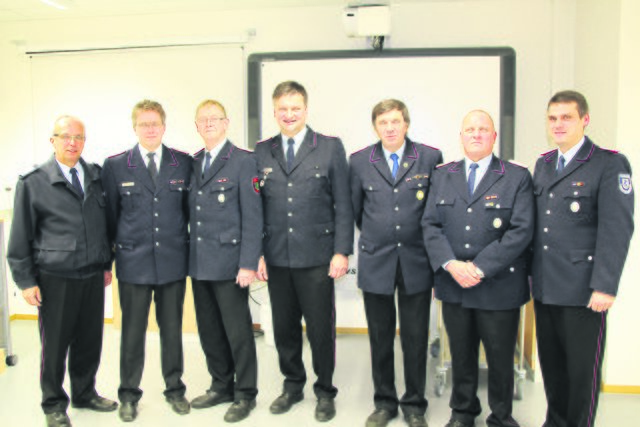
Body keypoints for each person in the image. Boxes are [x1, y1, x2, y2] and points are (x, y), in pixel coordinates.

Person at [422, 110, 533, 427]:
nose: (476, 134)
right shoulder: (443, 174)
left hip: (499, 286)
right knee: (461, 354)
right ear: (461, 136)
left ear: (494, 137)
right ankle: (463, 412)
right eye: (469, 129)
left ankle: (500, 416)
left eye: (483, 129)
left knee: (500, 358)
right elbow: (430, 225)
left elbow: (521, 231)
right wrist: (451, 264)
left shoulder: (516, 176)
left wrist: (480, 268)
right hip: (454, 282)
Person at [532, 90, 634, 427]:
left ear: (584, 120)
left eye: (566, 117)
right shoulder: (544, 163)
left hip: (584, 291)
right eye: (552, 118)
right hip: (546, 287)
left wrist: (605, 286)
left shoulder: (608, 163)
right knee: (553, 368)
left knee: (581, 374)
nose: (558, 124)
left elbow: (617, 229)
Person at [7, 115, 117, 427]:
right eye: (65, 136)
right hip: (55, 278)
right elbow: (20, 238)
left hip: (92, 275)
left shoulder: (95, 176)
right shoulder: (33, 182)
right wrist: (26, 281)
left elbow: (104, 227)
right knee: (54, 345)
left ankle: (85, 393)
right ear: (52, 140)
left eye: (79, 137)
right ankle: (54, 403)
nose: (73, 143)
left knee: (89, 341)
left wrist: (106, 265)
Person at [254, 80, 354, 422]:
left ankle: (325, 391)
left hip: (318, 258)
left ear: (306, 109)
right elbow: (256, 207)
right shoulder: (261, 151)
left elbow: (344, 203)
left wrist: (342, 251)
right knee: (283, 328)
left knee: (320, 330)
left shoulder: (328, 147)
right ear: (274, 111)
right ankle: (293, 385)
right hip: (277, 257)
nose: (289, 115)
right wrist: (258, 253)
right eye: (282, 109)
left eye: (295, 108)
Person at [350, 99, 443, 427]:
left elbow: (434, 211)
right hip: (377, 260)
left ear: (406, 124)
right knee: (379, 336)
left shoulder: (430, 158)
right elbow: (357, 211)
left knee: (416, 337)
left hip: (417, 260)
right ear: (375, 127)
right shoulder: (360, 161)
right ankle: (385, 402)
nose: (389, 128)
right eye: (383, 123)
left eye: (395, 121)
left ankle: (415, 404)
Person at [102, 100, 192, 422]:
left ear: (164, 127)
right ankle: (128, 395)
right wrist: (109, 260)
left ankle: (175, 389)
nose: (150, 129)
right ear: (135, 127)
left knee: (172, 332)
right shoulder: (115, 166)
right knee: (132, 334)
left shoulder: (182, 163)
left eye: (155, 124)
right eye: (144, 124)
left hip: (171, 264)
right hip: (133, 264)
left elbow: (188, 211)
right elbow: (110, 217)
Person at [188, 100, 262, 423]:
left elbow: (254, 217)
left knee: (238, 331)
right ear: (196, 125)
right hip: (200, 262)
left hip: (232, 264)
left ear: (226, 122)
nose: (208, 124)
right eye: (203, 119)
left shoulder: (244, 161)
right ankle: (221, 385)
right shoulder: (193, 163)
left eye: (214, 118)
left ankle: (245, 393)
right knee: (209, 330)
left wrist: (248, 262)